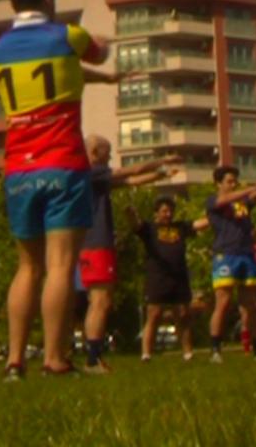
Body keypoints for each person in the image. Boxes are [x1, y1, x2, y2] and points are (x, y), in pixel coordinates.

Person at [0, 0, 114, 379]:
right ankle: (55, 359)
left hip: (18, 169)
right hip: (62, 163)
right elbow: (96, 52)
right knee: (61, 266)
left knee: (27, 267)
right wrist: (105, 48)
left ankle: (13, 361)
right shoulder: (66, 36)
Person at [77, 135, 181, 374]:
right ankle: (93, 359)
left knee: (98, 301)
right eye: (107, 152)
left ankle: (93, 356)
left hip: (88, 244)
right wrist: (161, 161)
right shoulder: (93, 172)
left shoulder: (93, 178)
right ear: (94, 152)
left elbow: (130, 181)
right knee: (101, 301)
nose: (110, 157)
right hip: (97, 243)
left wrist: (159, 175)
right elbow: (132, 170)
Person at [126, 196, 207, 362]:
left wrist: (218, 213)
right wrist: (131, 214)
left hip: (179, 277)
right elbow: (136, 225)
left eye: (170, 211)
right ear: (156, 213)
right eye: (164, 211)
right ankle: (146, 354)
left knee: (182, 315)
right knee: (154, 314)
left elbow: (199, 224)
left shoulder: (180, 227)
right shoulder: (149, 228)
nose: (168, 214)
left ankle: (187, 353)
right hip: (158, 277)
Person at [206, 165, 256, 362]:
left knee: (251, 305)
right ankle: (216, 350)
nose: (233, 184)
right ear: (218, 183)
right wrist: (250, 188)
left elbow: (255, 197)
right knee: (223, 302)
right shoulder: (213, 201)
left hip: (246, 254)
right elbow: (227, 199)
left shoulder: (242, 202)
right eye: (229, 181)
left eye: (235, 181)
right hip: (225, 255)